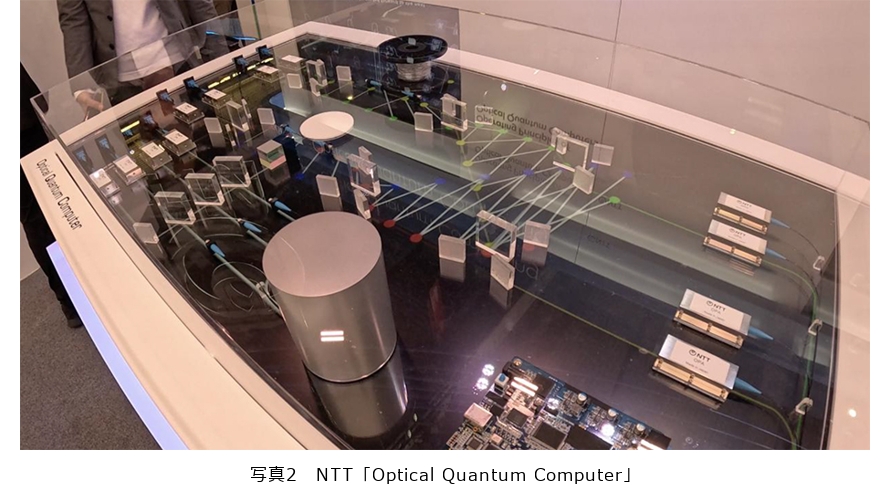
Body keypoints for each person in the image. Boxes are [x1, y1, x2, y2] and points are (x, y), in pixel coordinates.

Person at [57, 0, 228, 113]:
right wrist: (82, 86)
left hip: (179, 59)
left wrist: (220, 54)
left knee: (210, 133)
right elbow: (74, 20)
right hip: (121, 81)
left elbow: (199, 3)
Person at [21, 64, 82, 328]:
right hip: (22, 119)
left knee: (46, 205)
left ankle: (72, 298)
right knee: (44, 206)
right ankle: (72, 296)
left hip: (24, 117)